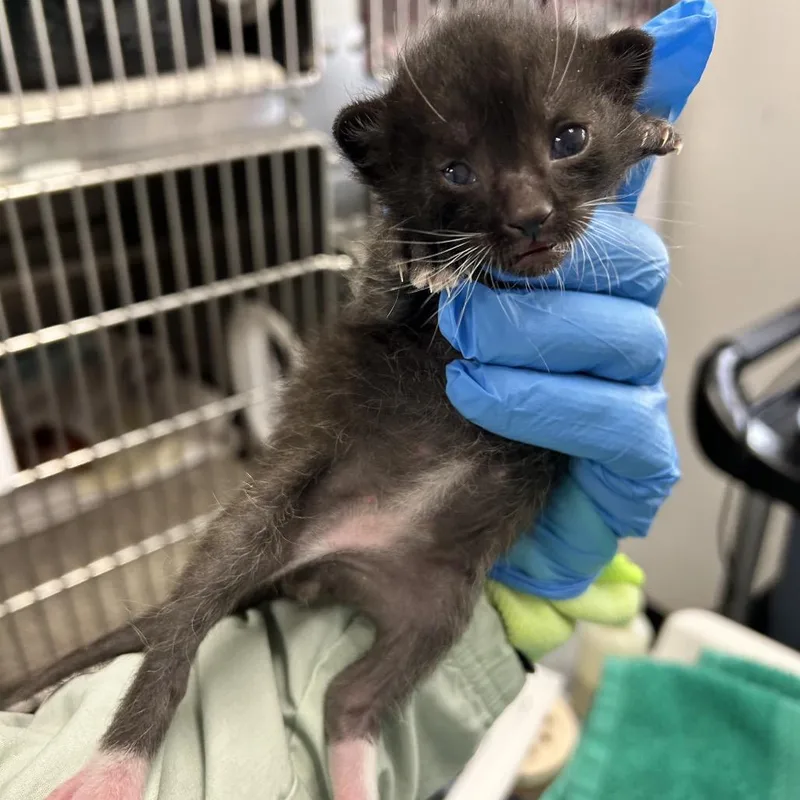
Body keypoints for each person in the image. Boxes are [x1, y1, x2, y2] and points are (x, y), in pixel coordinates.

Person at [0, 3, 716, 799]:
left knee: (433, 621)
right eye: (458, 171)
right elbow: (384, 303)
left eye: (568, 140)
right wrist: (411, 263)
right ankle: (126, 746)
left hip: (455, 543)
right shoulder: (416, 246)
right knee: (217, 573)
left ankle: (356, 729)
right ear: (390, 174)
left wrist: (628, 135)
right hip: (348, 471)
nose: (526, 208)